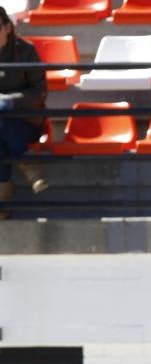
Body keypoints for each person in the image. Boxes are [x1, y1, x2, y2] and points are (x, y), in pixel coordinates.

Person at [0, 6, 48, 220]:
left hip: (26, 119)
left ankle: (2, 205)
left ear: (7, 27)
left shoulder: (26, 51)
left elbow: (39, 92)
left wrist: (10, 101)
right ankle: (26, 161)